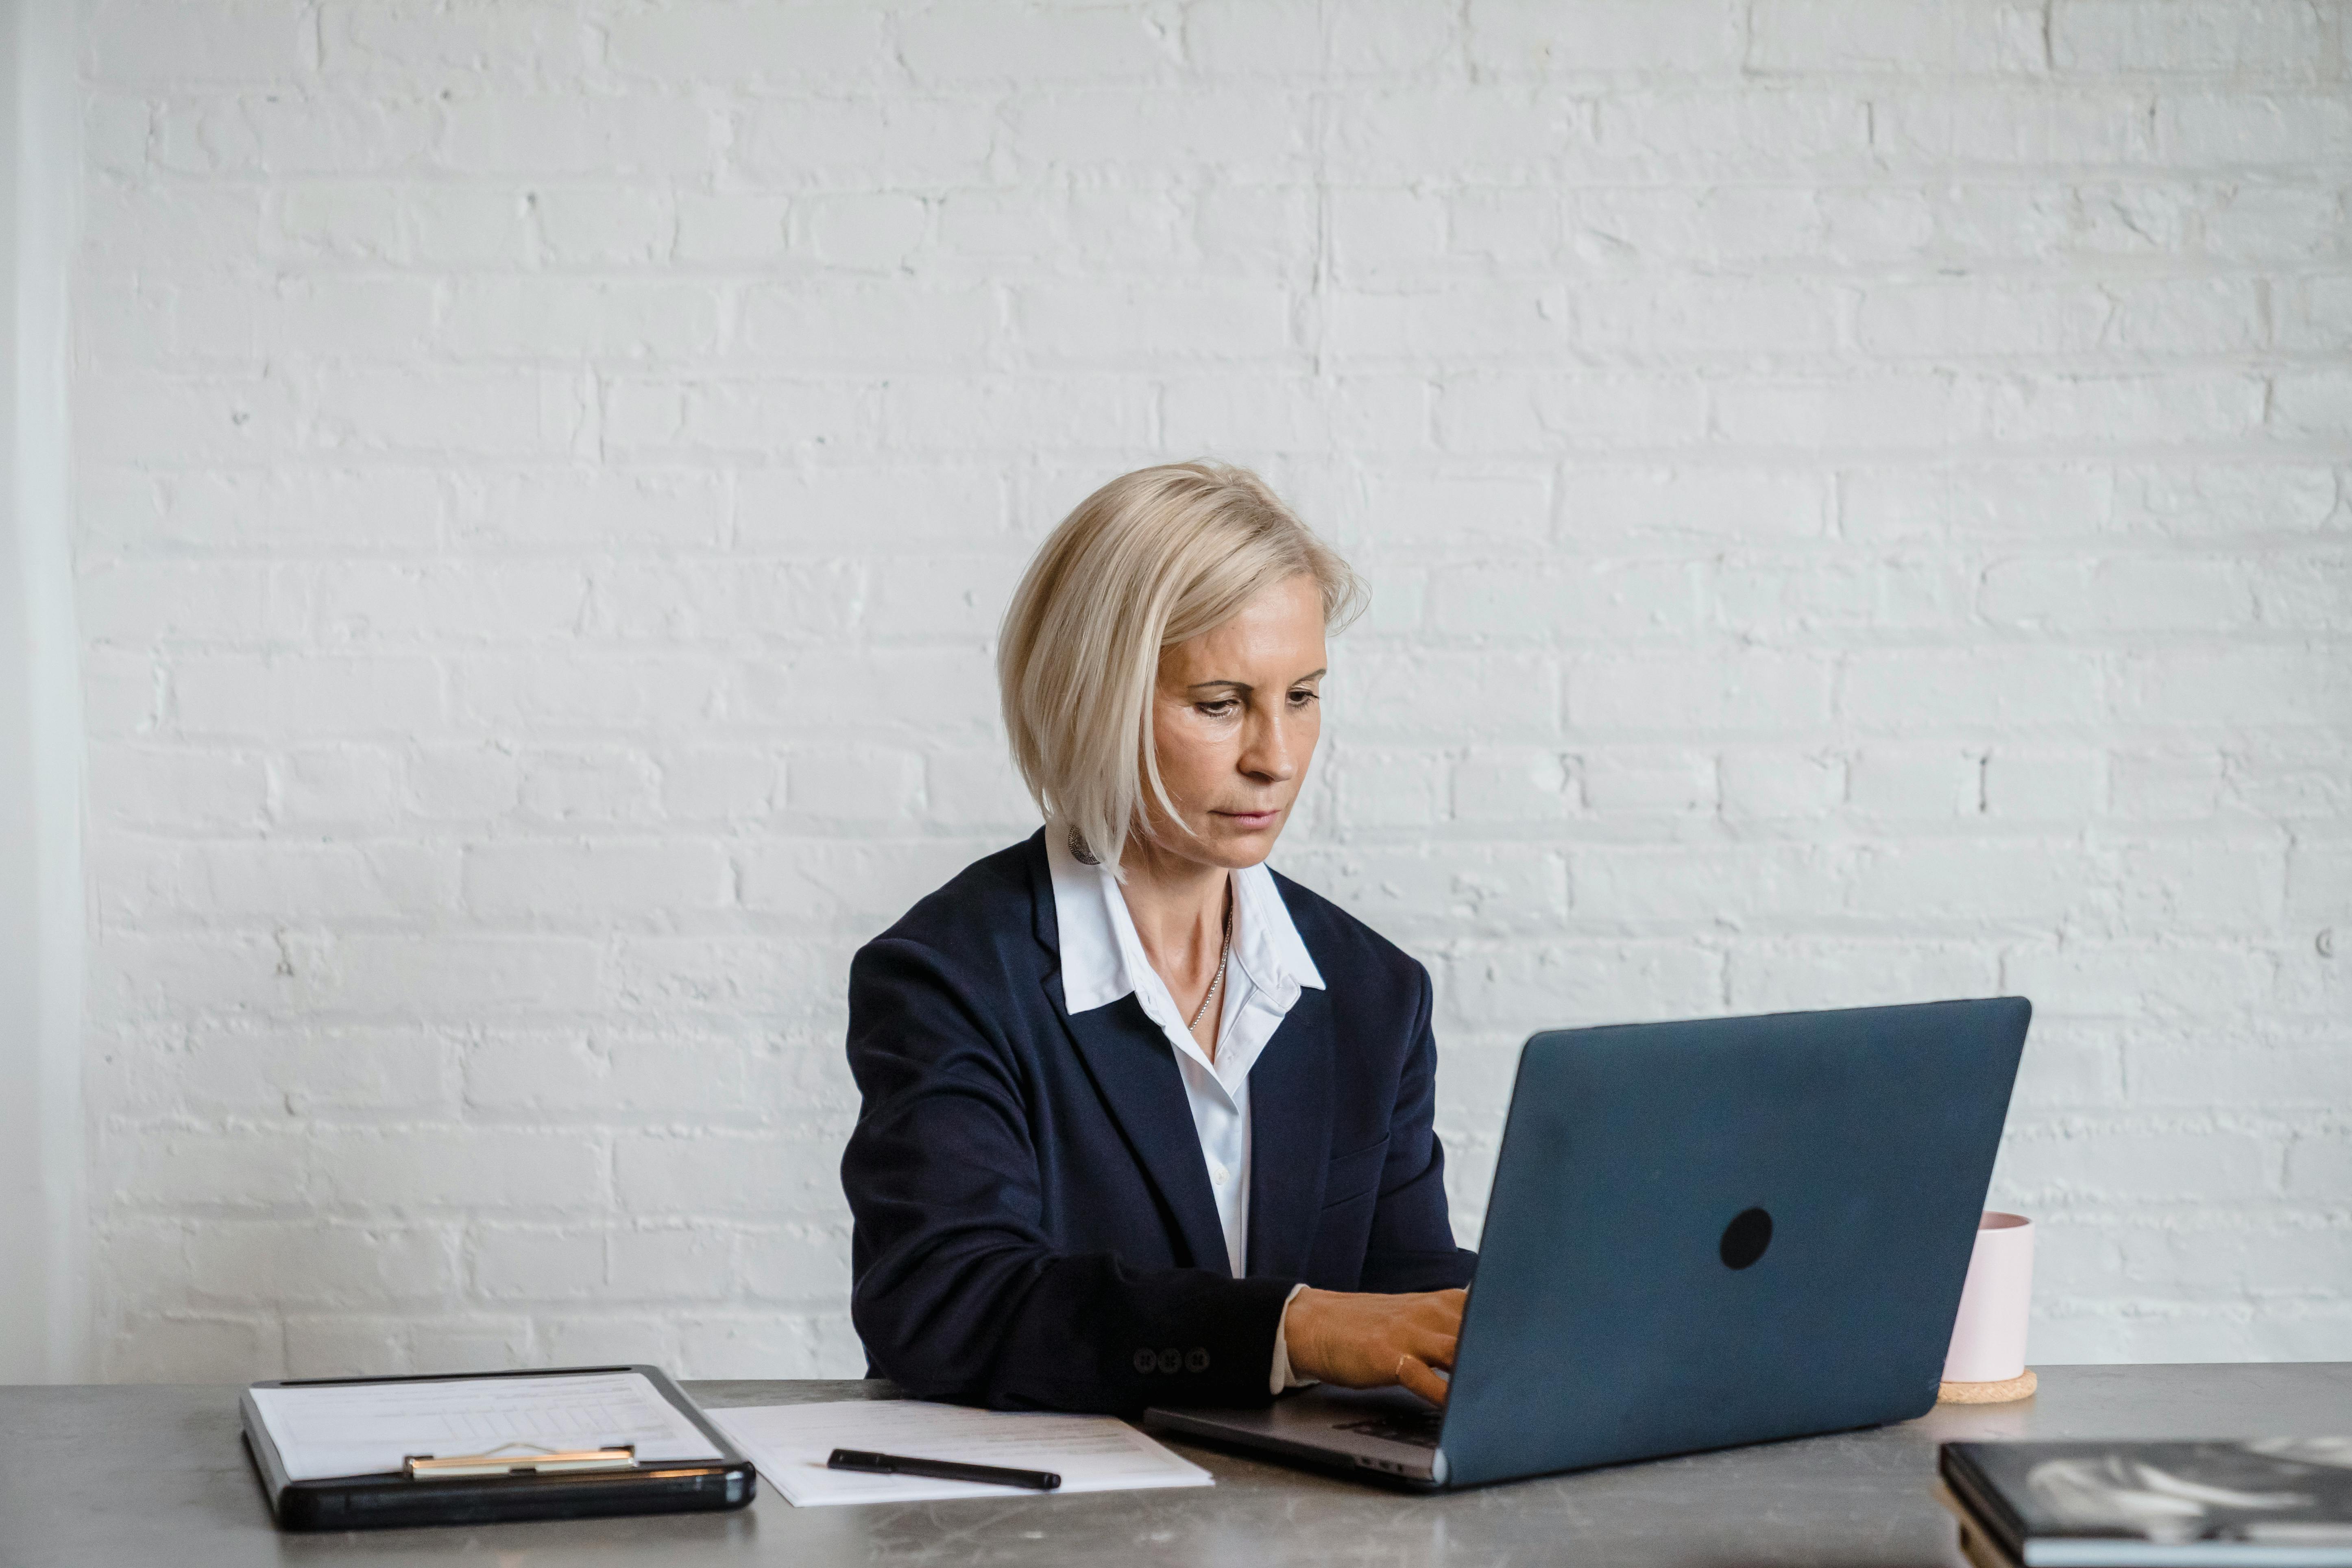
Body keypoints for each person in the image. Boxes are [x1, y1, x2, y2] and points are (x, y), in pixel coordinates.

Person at [839, 462, 1475, 1414]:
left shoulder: (1373, 990)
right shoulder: (950, 976)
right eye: (1221, 703)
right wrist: (1293, 1329)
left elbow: (1405, 1289)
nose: (1277, 756)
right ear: (1095, 697)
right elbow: (946, 1300)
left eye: (1302, 695)